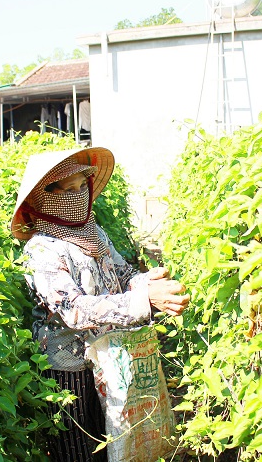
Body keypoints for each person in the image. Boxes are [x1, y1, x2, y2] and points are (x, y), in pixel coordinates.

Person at [11, 147, 190, 462]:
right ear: (45, 198)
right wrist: (143, 300)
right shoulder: (42, 250)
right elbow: (74, 310)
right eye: (69, 189)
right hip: (68, 366)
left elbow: (122, 274)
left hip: (108, 355)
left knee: (113, 443)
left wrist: (147, 282)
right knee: (78, 450)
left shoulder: (93, 233)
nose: (79, 195)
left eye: (83, 186)